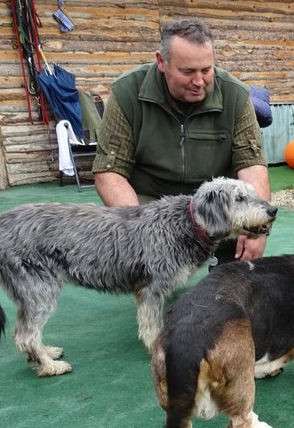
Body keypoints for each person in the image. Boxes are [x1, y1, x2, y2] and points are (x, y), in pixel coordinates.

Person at [93, 19, 271, 261]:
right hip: (152, 201)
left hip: (214, 201)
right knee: (138, 255)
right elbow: (109, 172)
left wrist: (257, 229)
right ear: (161, 62)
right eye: (187, 72)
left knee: (237, 276)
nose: (199, 82)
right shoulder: (127, 92)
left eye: (206, 70)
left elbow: (252, 166)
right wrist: (139, 230)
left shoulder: (236, 95)